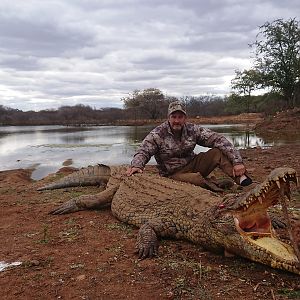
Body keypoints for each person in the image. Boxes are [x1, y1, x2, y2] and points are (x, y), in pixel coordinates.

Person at [126, 101, 252, 191]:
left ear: (185, 118)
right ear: (168, 117)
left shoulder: (193, 129)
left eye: (180, 117)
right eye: (173, 117)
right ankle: (214, 184)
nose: (177, 120)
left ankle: (241, 179)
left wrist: (237, 162)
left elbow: (218, 139)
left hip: (192, 164)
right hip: (172, 173)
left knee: (217, 153)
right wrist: (137, 165)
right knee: (196, 180)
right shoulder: (158, 134)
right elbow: (143, 151)